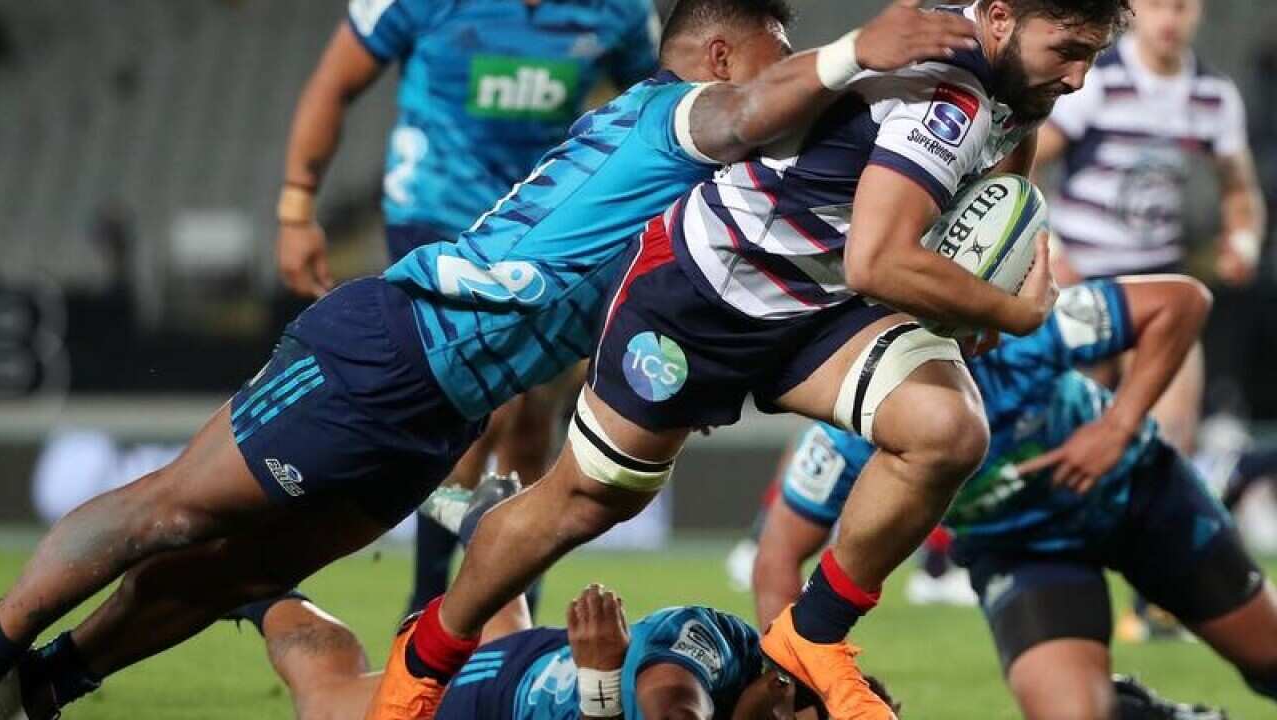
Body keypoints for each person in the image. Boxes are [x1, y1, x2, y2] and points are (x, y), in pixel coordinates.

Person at [0, 3, 981, 718]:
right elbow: (748, 108)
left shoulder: (723, 197)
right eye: (773, 59)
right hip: (395, 347)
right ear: (719, 55)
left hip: (445, 408)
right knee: (171, 507)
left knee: (232, 569)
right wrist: (855, 51)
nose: (794, 96)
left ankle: (46, 685)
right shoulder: (675, 118)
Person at [387, 2, 1131, 718]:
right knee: (583, 502)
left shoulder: (1017, 81)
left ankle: (814, 633)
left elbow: (1008, 168)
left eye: (1090, 57)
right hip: (701, 299)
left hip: (817, 310)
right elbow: (877, 263)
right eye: (1068, 51)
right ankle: (420, 666)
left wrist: (979, 274)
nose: (1077, 79)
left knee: (947, 428)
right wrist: (1012, 309)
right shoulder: (947, 94)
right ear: (999, 17)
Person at [276, 0, 662, 616]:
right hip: (439, 216)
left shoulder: (619, 12)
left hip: (547, 227)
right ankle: (430, 601)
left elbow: (663, 93)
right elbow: (335, 81)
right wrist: (297, 208)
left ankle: (513, 611)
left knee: (537, 418)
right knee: (493, 406)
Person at [751, 275, 1277, 717]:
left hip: (1139, 494)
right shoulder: (853, 420)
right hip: (1021, 550)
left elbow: (1183, 301)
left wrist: (1117, 427)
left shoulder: (1026, 328)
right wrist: (799, 685)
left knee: (1268, 659)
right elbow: (778, 554)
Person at [214, 475, 901, 720]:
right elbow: (669, 706)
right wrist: (604, 689)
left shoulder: (764, 697)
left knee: (506, 618)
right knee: (325, 699)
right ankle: (255, 585)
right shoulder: (714, 644)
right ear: (785, 688)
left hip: (539, 660)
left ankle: (492, 525)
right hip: (491, 699)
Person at [1034, 0, 1268, 456]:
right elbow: (1021, 169)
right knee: (1066, 438)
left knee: (1170, 439)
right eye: (1157, 5)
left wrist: (1243, 243)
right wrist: (1051, 250)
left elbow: (1240, 191)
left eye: (1181, 7)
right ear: (1134, 8)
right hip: (1082, 282)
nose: (1169, 19)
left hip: (1156, 284)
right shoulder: (1096, 82)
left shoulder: (1212, 96)